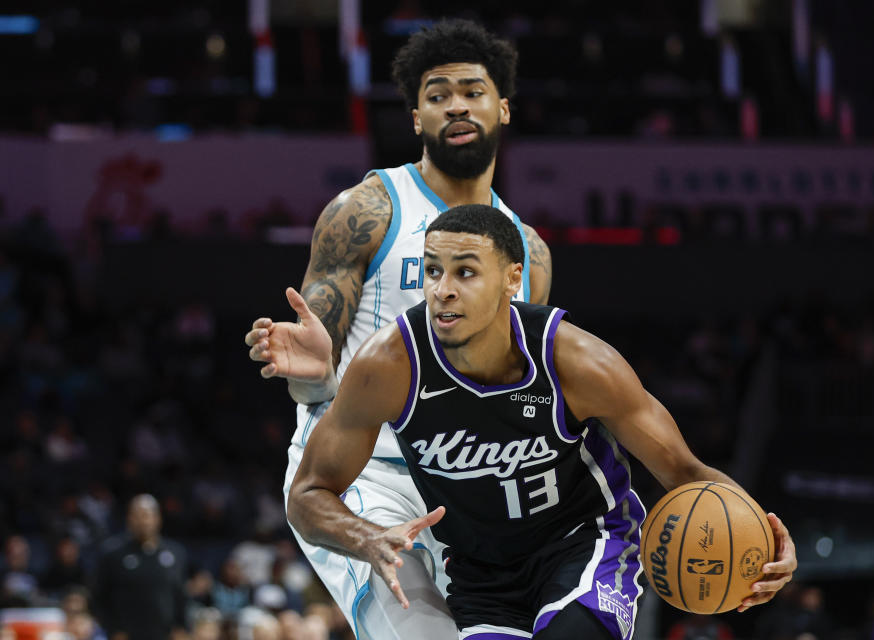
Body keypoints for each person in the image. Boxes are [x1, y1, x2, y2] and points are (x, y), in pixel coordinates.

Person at [278, 205, 797, 639]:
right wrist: (364, 536)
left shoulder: (580, 364)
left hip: (584, 541)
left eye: (465, 271)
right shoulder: (387, 366)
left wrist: (770, 538)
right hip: (481, 573)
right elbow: (307, 495)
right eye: (433, 271)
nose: (443, 289)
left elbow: (684, 471)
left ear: (512, 278)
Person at [244, 18, 552, 640]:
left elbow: (519, 392)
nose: (457, 105)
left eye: (473, 90)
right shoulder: (368, 209)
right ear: (417, 119)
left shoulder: (530, 255)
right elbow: (315, 373)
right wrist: (312, 379)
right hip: (358, 472)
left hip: (461, 479)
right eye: (437, 95)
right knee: (420, 632)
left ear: (504, 108)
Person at [93, 494, 188, 640]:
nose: (143, 521)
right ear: (129, 519)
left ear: (158, 519)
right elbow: (99, 597)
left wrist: (181, 627)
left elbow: (180, 595)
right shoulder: (112, 553)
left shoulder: (176, 553)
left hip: (165, 634)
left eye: (147, 515)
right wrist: (113, 629)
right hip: (126, 635)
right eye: (137, 515)